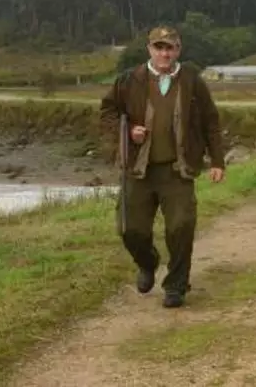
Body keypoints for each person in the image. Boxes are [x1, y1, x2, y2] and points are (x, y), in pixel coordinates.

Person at [99, 26, 227, 308]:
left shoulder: (191, 80)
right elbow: (107, 112)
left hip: (176, 169)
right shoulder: (129, 80)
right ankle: (148, 263)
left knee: (181, 227)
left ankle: (176, 286)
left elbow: (211, 120)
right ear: (149, 49)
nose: (164, 53)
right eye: (159, 48)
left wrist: (217, 160)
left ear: (178, 50)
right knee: (130, 229)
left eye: (170, 48)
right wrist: (128, 131)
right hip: (138, 169)